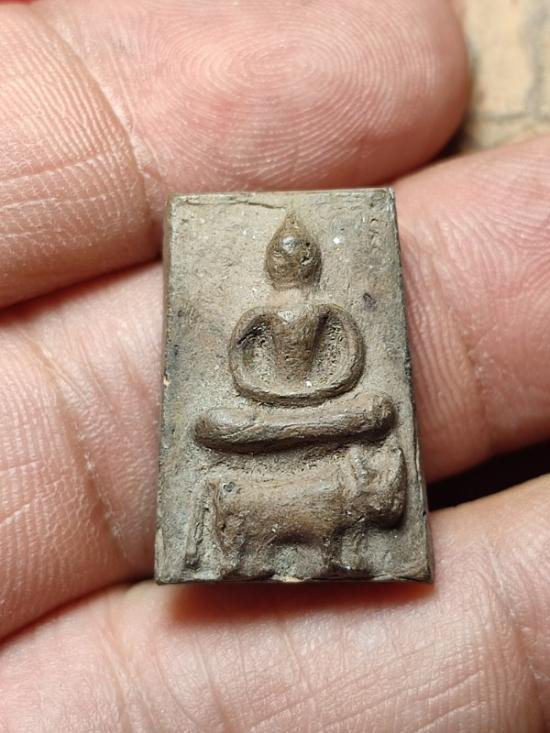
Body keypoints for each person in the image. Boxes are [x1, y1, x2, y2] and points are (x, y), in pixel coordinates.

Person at [0, 0, 548, 729]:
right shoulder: (267, 309)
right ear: (279, 264)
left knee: (367, 412)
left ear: (310, 263)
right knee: (218, 420)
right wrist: (274, 393)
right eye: (288, 259)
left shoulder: (325, 308)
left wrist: (321, 393)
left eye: (299, 258)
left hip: (321, 403)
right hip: (275, 406)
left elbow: (350, 357)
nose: (294, 265)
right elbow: (239, 360)